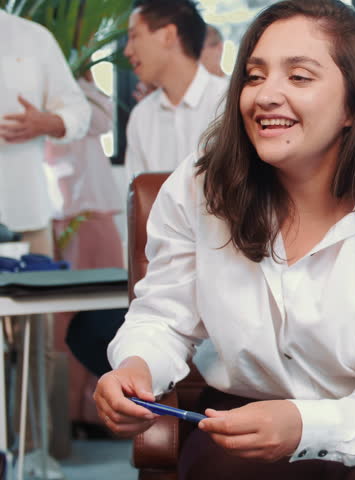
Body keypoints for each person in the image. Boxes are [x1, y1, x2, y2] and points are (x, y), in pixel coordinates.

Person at [94, 1, 355, 479]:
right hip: (251, 415)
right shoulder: (200, 189)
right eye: (255, 76)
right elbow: (164, 315)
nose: (266, 95)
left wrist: (306, 424)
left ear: (353, 105)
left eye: (299, 77)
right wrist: (137, 366)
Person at [45, 70, 126, 439]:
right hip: (72, 210)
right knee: (70, 318)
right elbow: (98, 117)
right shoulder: (57, 90)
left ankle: (94, 412)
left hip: (89, 208)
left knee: (107, 311)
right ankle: (74, 413)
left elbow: (104, 116)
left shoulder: (73, 90)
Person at [0, 10, 91, 255]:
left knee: (39, 293)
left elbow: (79, 111)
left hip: (24, 214)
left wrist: (48, 123)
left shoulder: (34, 39)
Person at [123, 0, 228, 183]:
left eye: (134, 36)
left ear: (168, 35)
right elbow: (139, 201)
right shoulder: (141, 116)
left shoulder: (229, 102)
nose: (127, 51)